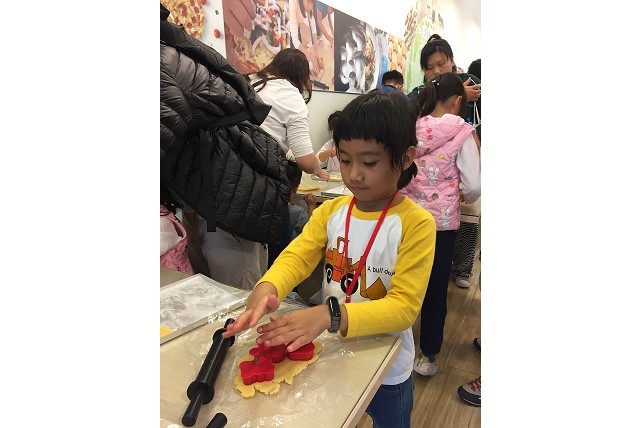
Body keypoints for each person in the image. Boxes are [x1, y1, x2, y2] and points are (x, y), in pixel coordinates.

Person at [223, 91, 437, 428]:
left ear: (406, 158)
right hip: (333, 348)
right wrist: (268, 286)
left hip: (386, 363)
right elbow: (297, 255)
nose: (354, 174)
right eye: (345, 160)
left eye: (369, 163)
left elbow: (404, 308)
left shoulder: (416, 224)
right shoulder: (332, 211)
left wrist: (328, 314)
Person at [160, 4, 290, 291]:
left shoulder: (157, 60)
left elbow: (162, 131)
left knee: (239, 298)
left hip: (227, 191)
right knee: (209, 292)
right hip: (206, 190)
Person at [400, 72, 480, 376]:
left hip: (406, 218)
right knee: (435, 288)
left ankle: (394, 343)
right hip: (440, 224)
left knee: (402, 280)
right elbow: (474, 184)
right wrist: (463, 195)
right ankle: (428, 356)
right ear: (458, 101)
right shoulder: (462, 131)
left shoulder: (410, 125)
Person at [246, 48, 330, 180]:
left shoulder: (250, 80)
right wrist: (319, 171)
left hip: (225, 159)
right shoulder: (290, 96)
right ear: (302, 75)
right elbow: (306, 161)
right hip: (257, 169)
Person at [288, 0, 323, 74]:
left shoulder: (309, 5)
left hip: (300, 25)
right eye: (308, 2)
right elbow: (295, 41)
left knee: (304, 57)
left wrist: (316, 52)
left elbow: (313, 25)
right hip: (294, 31)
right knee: (295, 63)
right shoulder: (293, 2)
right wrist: (312, 57)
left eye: (312, 3)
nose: (311, 6)